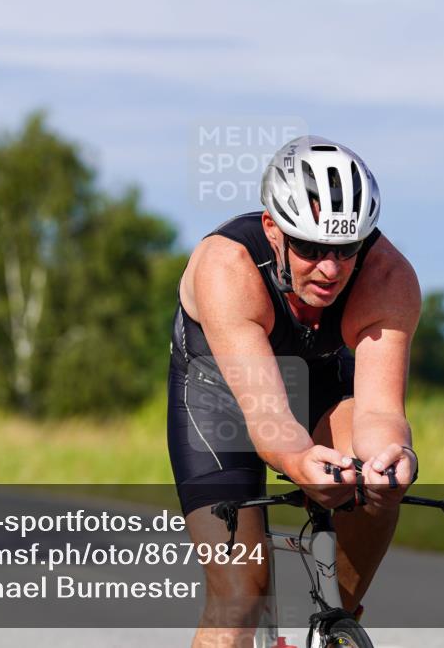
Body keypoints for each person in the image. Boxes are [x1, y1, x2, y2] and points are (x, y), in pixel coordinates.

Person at [167, 135, 421, 646]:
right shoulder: (227, 267)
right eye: (309, 247)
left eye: (346, 249)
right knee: (239, 598)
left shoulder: (388, 277)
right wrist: (299, 460)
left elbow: (379, 412)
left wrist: (393, 457)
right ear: (272, 229)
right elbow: (271, 423)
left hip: (324, 378)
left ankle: (333, 627)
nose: (329, 269)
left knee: (375, 490)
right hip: (221, 392)